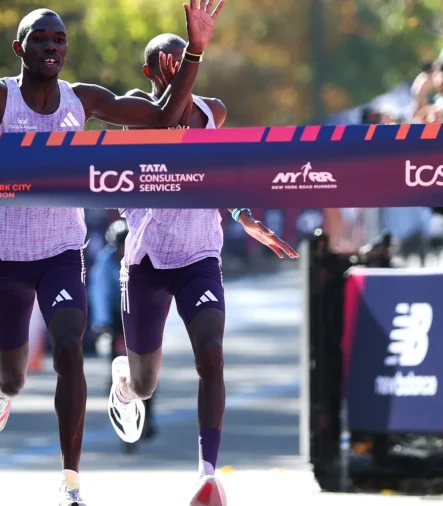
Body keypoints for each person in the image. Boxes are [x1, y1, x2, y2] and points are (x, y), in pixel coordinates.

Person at [0, 2, 225, 505]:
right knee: (16, 379)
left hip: (63, 248)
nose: (51, 47)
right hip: (6, 253)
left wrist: (195, 49)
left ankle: (70, 483)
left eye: (59, 40)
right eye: (40, 39)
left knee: (70, 344)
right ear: (20, 48)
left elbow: (164, 117)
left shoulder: (79, 100)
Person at [107, 33, 299, 506]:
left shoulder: (213, 112)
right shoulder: (136, 112)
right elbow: (167, 130)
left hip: (198, 256)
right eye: (167, 64)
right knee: (146, 383)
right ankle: (125, 382)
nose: (178, 70)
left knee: (211, 353)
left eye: (185, 61)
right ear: (151, 73)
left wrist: (243, 217)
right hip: (147, 260)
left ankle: (206, 475)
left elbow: (214, 172)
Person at [88, 219, 157, 454]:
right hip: (118, 319)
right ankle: (118, 394)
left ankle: (149, 417)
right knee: (118, 365)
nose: (122, 251)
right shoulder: (105, 262)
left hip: (142, 316)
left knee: (148, 371)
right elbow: (99, 292)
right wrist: (101, 322)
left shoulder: (145, 257)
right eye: (118, 247)